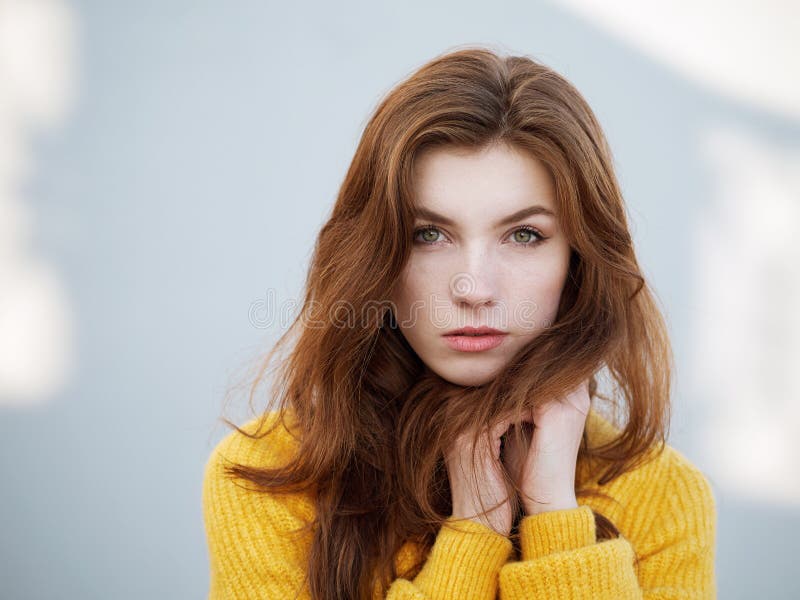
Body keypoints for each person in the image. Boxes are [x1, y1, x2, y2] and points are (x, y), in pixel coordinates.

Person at [202, 46, 717, 599]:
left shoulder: (662, 493)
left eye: (524, 235)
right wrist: (474, 535)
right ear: (376, 255)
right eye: (429, 234)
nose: (473, 289)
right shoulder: (269, 474)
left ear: (579, 260)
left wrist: (553, 512)